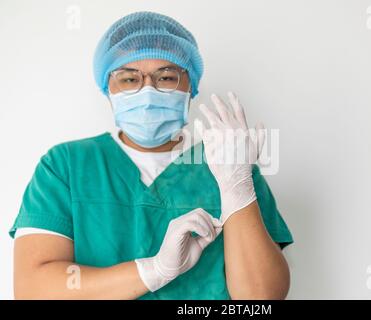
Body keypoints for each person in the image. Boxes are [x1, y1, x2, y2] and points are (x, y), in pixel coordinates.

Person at [10, 11, 293, 300]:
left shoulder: (231, 162)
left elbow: (261, 299)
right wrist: (153, 270)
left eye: (167, 77)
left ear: (191, 87)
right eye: (129, 79)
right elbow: (33, 290)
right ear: (108, 88)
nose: (148, 90)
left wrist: (238, 188)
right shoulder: (66, 166)